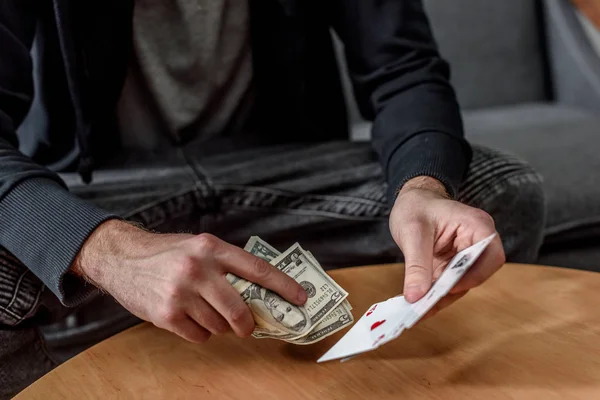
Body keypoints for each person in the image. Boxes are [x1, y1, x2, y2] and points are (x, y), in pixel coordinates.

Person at [0, 0, 545, 397]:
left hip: (281, 176)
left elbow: (405, 70)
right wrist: (111, 254)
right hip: (111, 196)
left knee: (492, 195)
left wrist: (422, 187)